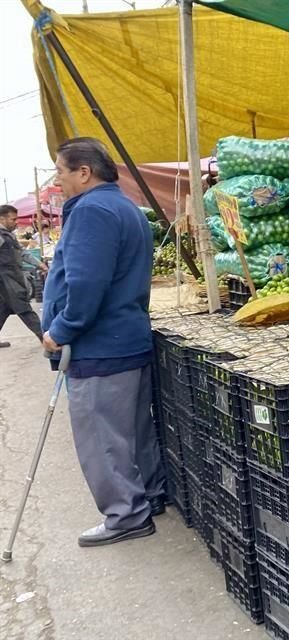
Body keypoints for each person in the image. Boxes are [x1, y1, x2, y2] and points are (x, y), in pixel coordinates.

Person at [41, 137, 164, 548]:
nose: (56, 180)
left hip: (100, 345)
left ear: (83, 172)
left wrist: (61, 329)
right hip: (125, 336)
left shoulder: (91, 211)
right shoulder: (125, 206)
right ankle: (149, 495)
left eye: (60, 171)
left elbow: (86, 282)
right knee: (132, 429)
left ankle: (126, 514)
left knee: (102, 437)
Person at [0, 204, 46, 347]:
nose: (16, 222)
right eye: (13, 219)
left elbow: (22, 253)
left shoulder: (8, 235)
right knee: (23, 308)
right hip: (5, 278)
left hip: (11, 277)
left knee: (4, 308)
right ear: (2, 219)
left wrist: (40, 265)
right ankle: (44, 338)